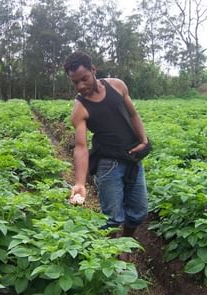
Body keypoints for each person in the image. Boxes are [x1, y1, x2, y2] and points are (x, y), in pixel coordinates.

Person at [64, 51, 150, 238]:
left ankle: (126, 243)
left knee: (139, 212)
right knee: (112, 219)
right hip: (108, 164)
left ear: (93, 70)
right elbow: (80, 147)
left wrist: (144, 140)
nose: (81, 86)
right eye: (75, 82)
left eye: (84, 79)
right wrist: (79, 182)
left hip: (133, 158)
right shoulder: (80, 109)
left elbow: (133, 114)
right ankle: (111, 257)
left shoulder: (117, 86)